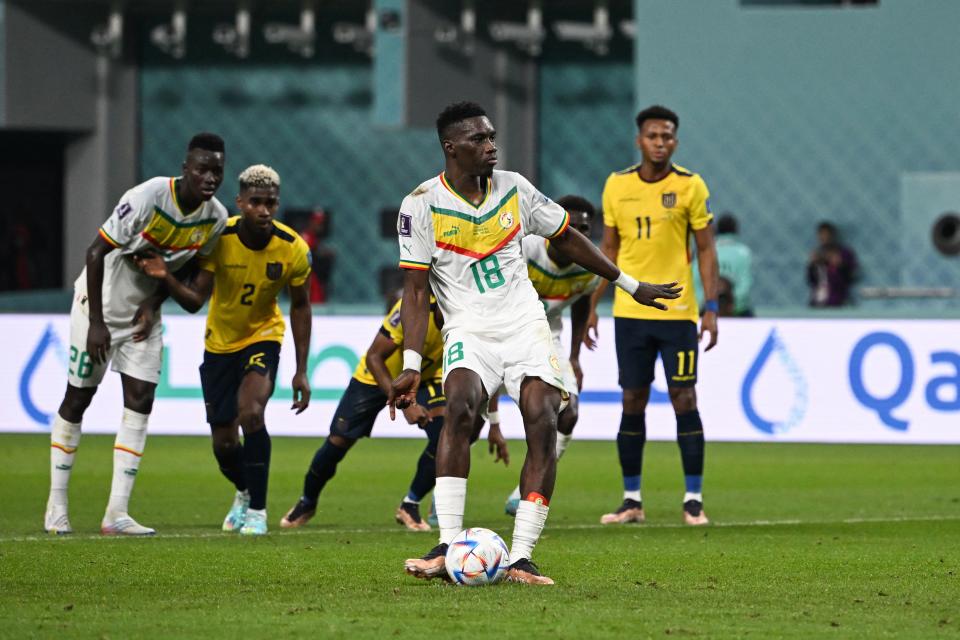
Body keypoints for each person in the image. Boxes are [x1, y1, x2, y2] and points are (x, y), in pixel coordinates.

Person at [391, 101, 680, 585]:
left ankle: (521, 557)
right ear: (451, 148)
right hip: (468, 329)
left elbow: (566, 237)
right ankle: (446, 546)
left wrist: (631, 285)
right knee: (459, 410)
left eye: (492, 136)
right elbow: (416, 292)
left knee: (542, 416)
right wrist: (413, 363)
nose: (491, 146)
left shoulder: (515, 188)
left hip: (525, 324)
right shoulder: (420, 205)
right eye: (479, 140)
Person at [44, 133, 228, 535]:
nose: (210, 177)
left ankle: (116, 513)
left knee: (141, 399)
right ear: (185, 169)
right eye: (202, 168)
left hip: (144, 317)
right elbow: (96, 252)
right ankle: (56, 505)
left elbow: (183, 280)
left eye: (217, 169)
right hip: (99, 308)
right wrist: (96, 321)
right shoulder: (147, 197)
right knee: (79, 397)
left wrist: (152, 303)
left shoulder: (215, 219)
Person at [137, 165, 312, 535]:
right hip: (219, 344)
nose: (263, 211)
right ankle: (245, 491)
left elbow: (300, 306)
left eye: (270, 203)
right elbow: (194, 300)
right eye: (255, 203)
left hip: (263, 335)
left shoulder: (293, 248)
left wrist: (301, 368)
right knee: (224, 443)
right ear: (240, 203)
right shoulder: (220, 238)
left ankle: (259, 513)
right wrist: (164, 277)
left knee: (251, 413)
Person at [585, 104, 718, 527]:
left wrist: (711, 307)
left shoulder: (691, 186)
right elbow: (609, 250)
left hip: (679, 313)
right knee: (632, 401)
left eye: (667, 136)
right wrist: (593, 304)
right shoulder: (616, 185)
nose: (661, 143)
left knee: (685, 398)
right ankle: (631, 500)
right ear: (639, 140)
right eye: (653, 136)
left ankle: (693, 499)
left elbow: (706, 249)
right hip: (630, 312)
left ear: (675, 141)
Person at [279, 295, 509, 532]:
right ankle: (307, 501)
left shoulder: (472, 320)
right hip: (377, 376)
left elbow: (486, 374)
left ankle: (411, 503)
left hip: (428, 377)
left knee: (449, 432)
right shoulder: (410, 309)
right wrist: (406, 404)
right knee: (338, 441)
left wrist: (494, 424)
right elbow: (374, 356)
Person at [498, 195, 601, 516]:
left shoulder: (589, 266)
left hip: (546, 337)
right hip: (500, 332)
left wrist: (574, 357)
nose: (577, 233)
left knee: (568, 414)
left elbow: (583, 301)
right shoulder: (527, 248)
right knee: (469, 415)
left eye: (584, 228)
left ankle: (523, 493)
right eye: (571, 226)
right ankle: (440, 495)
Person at [694, 213, 754, 317]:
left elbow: (695, 280)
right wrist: (732, 307)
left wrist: (705, 305)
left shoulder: (705, 251)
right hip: (736, 312)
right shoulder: (743, 252)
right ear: (736, 230)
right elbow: (745, 285)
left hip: (706, 309)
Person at [807, 221, 857, 307]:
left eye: (826, 234)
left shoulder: (844, 253)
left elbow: (850, 277)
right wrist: (812, 265)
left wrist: (840, 265)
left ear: (832, 235)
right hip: (818, 301)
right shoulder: (818, 254)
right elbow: (811, 280)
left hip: (837, 301)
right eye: (821, 234)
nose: (824, 237)